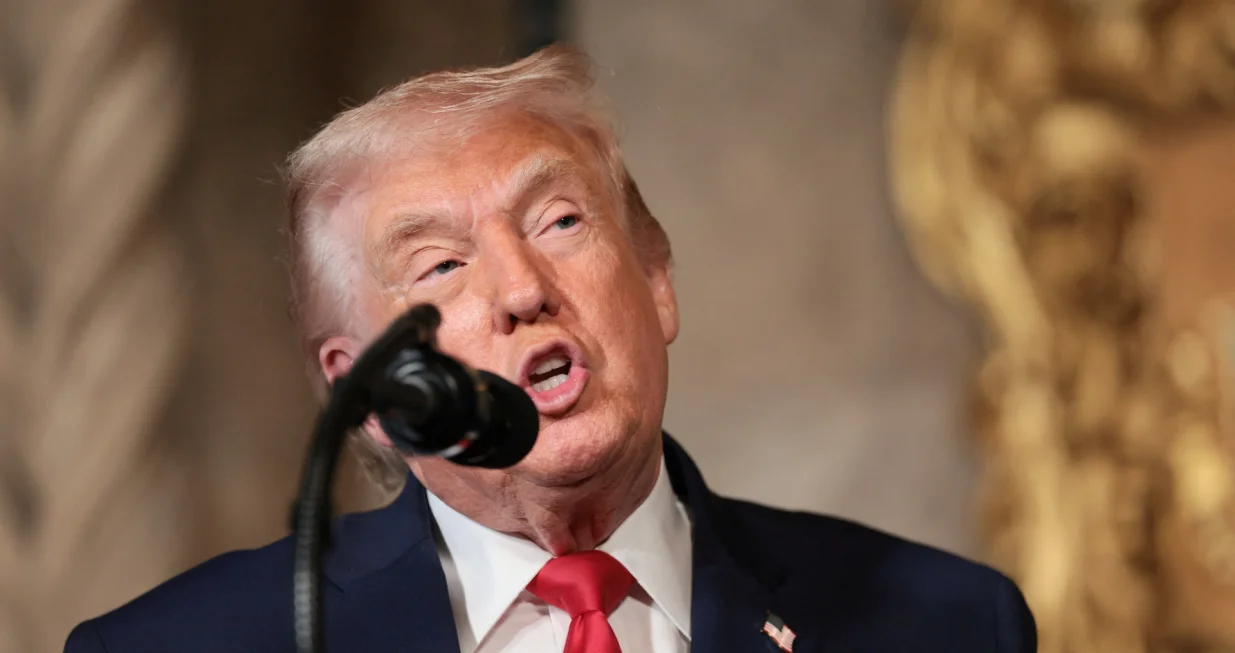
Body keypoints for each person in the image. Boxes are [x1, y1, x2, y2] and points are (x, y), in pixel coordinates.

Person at [64, 46, 1036, 653]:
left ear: (655, 277)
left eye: (561, 219)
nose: (522, 289)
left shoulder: (947, 624)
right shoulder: (183, 644)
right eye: (440, 265)